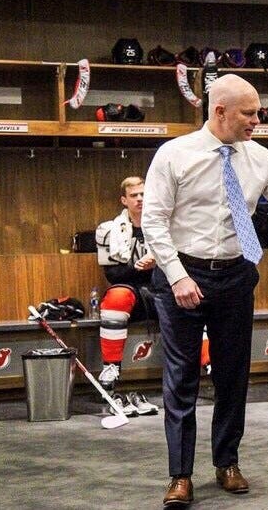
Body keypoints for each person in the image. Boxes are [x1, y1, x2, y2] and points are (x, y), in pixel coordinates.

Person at [141, 73, 268, 508]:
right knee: (180, 379)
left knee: (233, 376)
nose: (259, 120)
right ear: (220, 111)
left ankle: (227, 463)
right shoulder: (174, 155)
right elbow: (154, 221)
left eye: (258, 112)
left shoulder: (259, 158)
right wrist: (178, 276)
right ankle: (180, 475)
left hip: (236, 275)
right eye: (250, 113)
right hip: (183, 273)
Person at [95, 176, 161, 417]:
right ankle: (111, 367)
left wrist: (158, 264)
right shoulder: (109, 230)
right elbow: (113, 274)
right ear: (124, 200)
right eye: (134, 195)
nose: (140, 199)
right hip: (130, 287)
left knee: (192, 296)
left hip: (162, 286)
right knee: (115, 299)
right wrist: (139, 267)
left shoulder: (165, 224)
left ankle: (207, 366)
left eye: (144, 194)